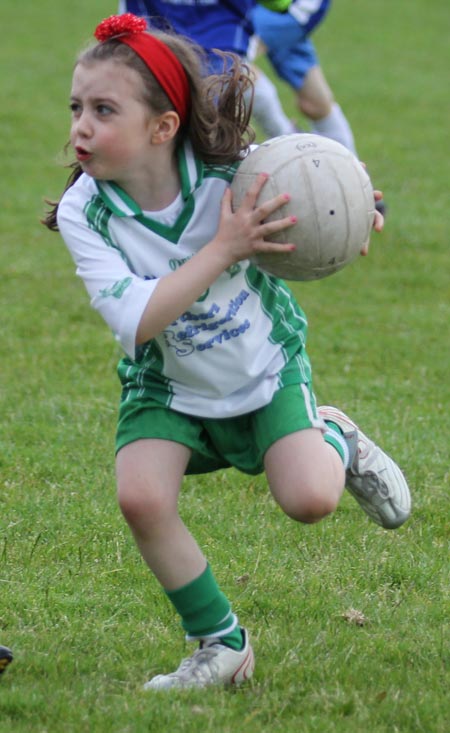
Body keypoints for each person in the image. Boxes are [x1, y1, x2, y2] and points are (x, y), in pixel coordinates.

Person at [44, 13, 410, 690]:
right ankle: (222, 645)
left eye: (102, 110)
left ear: (163, 126)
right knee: (141, 497)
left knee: (308, 500)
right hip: (168, 384)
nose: (80, 128)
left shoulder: (230, 176)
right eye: (76, 108)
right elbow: (137, 320)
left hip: (264, 369)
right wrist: (224, 247)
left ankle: (337, 437)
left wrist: (359, 206)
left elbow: (316, 182)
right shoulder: (85, 211)